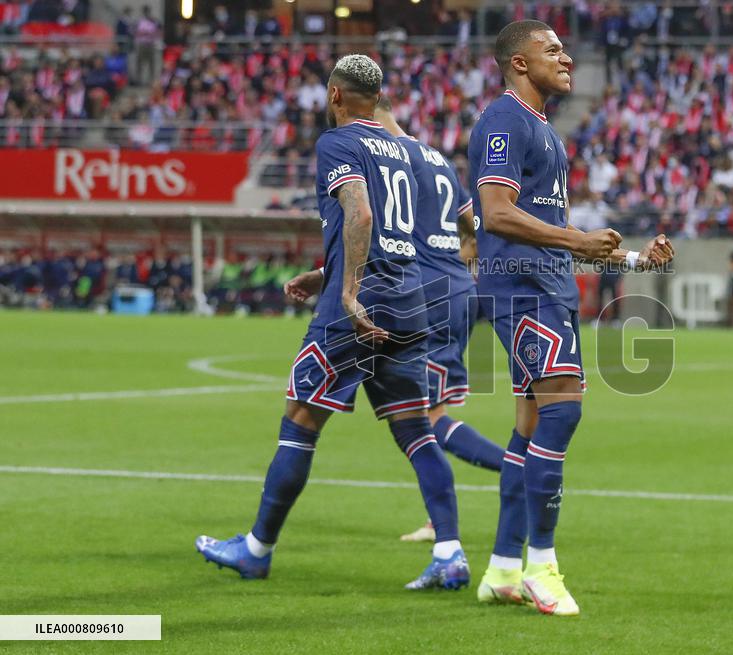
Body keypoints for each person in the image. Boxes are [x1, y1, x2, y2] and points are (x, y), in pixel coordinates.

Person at [195, 54, 469, 591]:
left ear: (336, 95)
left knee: (300, 418)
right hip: (410, 299)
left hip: (360, 306)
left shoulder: (338, 143)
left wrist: (345, 291)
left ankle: (256, 550)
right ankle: (449, 552)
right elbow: (397, 236)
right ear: (379, 96)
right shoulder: (409, 152)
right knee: (415, 428)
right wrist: (326, 273)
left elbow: (361, 214)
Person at [469, 20, 674, 616]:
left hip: (545, 284)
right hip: (523, 289)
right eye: (552, 50)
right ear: (518, 62)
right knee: (564, 411)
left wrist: (632, 259)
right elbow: (496, 213)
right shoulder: (504, 120)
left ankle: (503, 568)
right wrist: (576, 239)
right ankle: (542, 565)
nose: (565, 59)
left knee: (530, 424)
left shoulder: (542, 130)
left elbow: (556, 231)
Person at [284, 98, 507, 544]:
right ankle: (440, 521)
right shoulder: (437, 158)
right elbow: (475, 227)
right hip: (456, 290)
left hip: (423, 293)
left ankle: (520, 466)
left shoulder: (391, 158)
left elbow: (386, 238)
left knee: (426, 418)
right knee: (423, 416)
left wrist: (334, 279)